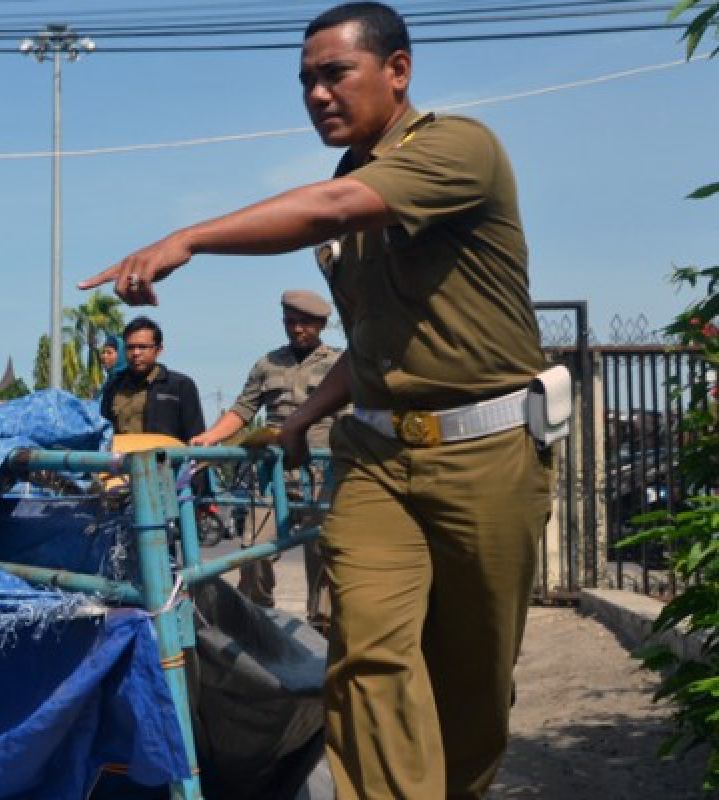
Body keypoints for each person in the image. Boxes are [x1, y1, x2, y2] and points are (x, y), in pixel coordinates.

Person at [80, 4, 551, 798]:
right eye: (306, 81)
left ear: (397, 70)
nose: (317, 94)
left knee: (472, 683)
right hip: (374, 458)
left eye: (336, 74)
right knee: (364, 656)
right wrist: (297, 421)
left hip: (485, 452)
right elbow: (367, 341)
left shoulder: (457, 149)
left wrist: (186, 238)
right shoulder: (348, 188)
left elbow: (331, 210)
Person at [190, 290, 342, 630]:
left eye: (305, 323)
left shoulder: (337, 364)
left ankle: (322, 628)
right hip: (274, 475)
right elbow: (243, 409)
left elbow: (351, 415)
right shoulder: (268, 364)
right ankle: (258, 621)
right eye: (290, 322)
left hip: (323, 475)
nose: (297, 329)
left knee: (323, 554)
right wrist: (210, 438)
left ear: (321, 324)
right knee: (254, 549)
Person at [101, 316, 204, 443]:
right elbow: (103, 436)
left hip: (169, 461)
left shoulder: (180, 386)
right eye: (130, 347)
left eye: (143, 347)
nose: (136, 353)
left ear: (158, 350)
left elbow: (197, 437)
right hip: (123, 461)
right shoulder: (113, 387)